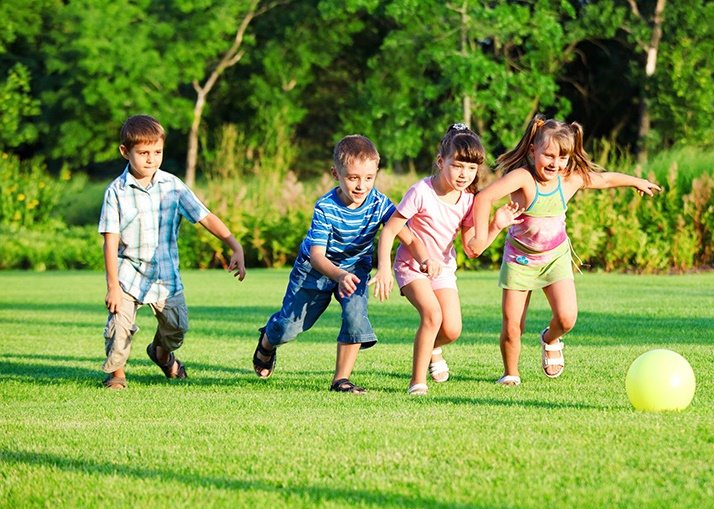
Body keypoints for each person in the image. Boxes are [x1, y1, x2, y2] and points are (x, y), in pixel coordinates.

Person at [469, 115, 660, 386]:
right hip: (520, 260)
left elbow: (603, 180)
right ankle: (511, 373)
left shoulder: (568, 180)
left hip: (555, 258)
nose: (555, 163)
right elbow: (484, 198)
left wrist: (635, 181)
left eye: (562, 158)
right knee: (513, 327)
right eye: (548, 155)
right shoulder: (523, 178)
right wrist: (480, 235)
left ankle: (550, 338)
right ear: (533, 150)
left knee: (567, 318)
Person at [252, 135, 430, 394]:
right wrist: (339, 276)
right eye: (353, 178)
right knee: (288, 327)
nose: (361, 185)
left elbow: (407, 235)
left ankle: (341, 380)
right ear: (336, 173)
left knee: (355, 317)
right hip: (315, 271)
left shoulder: (380, 204)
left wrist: (424, 259)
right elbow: (317, 256)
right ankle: (267, 342)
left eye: (369, 178)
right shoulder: (325, 207)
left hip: (356, 269)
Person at [99, 114, 246, 390]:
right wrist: (112, 287)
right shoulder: (115, 192)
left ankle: (162, 354)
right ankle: (117, 374)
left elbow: (204, 216)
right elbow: (110, 240)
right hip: (128, 275)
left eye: (157, 152)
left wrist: (234, 244)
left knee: (176, 329)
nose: (151, 159)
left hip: (165, 277)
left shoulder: (173, 186)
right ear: (125, 152)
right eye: (143, 153)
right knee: (120, 327)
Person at [374, 124, 523, 395]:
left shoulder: (469, 201)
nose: (464, 174)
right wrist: (384, 268)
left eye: (471, 168)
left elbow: (472, 248)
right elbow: (391, 230)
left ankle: (432, 348)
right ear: (441, 162)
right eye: (457, 166)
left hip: (442, 269)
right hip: (411, 267)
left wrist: (496, 225)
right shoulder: (421, 191)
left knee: (452, 329)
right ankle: (417, 383)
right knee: (432, 315)